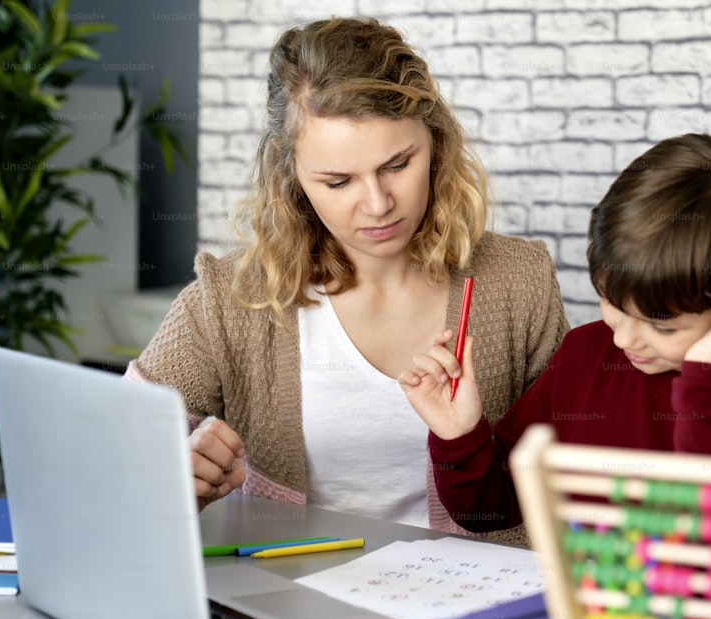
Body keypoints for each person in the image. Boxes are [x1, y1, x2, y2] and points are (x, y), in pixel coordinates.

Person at [124, 17, 568, 539]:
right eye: (338, 181)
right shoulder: (230, 301)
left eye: (398, 164)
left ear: (436, 144)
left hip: (468, 611)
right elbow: (114, 460)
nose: (378, 205)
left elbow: (570, 480)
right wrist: (174, 475)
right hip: (288, 604)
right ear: (289, 175)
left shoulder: (520, 282)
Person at [400, 133, 711, 533]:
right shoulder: (584, 353)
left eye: (662, 325)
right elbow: (491, 508)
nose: (624, 340)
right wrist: (460, 435)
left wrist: (707, 382)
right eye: (612, 304)